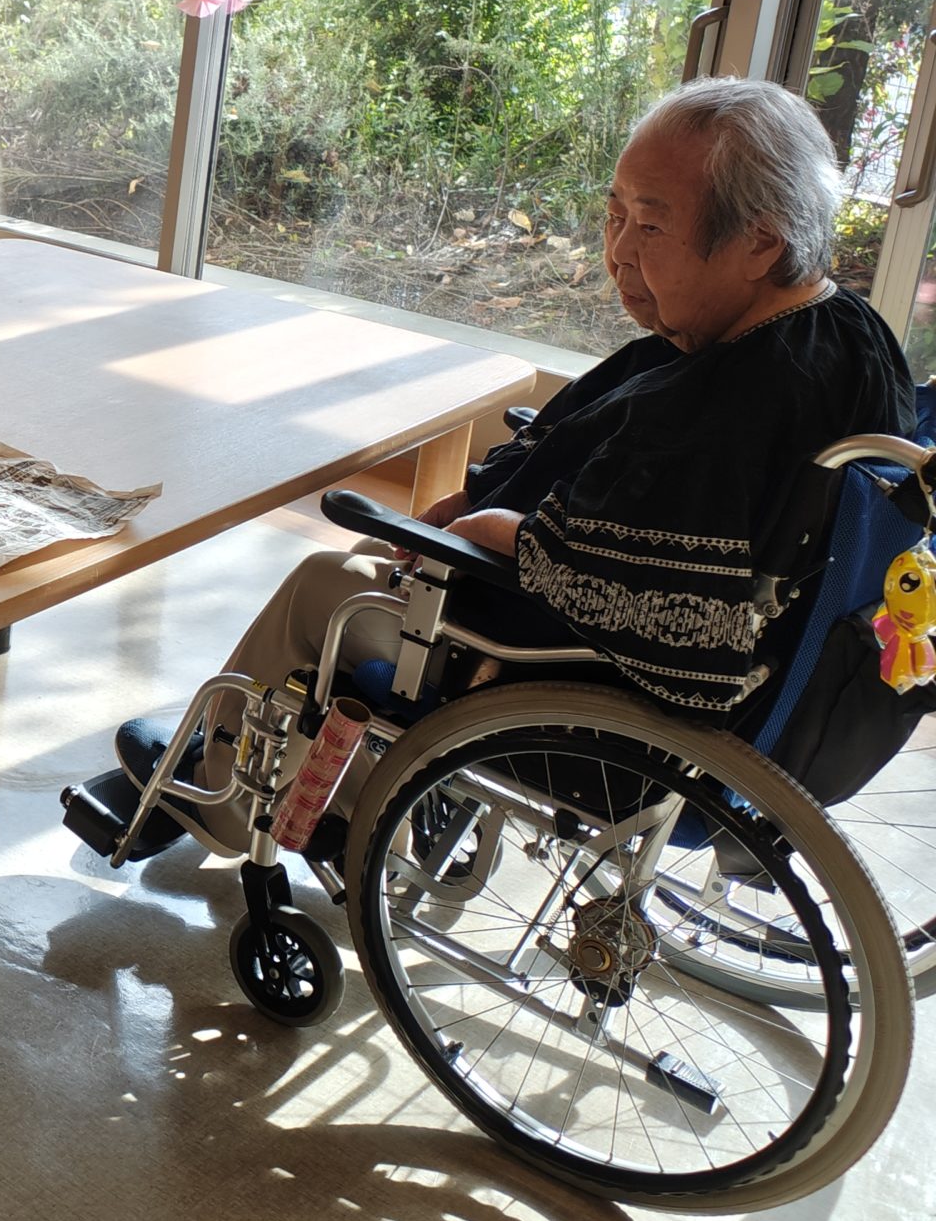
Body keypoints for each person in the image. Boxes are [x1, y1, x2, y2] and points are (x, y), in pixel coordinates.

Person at [114, 77, 915, 853]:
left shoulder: (738, 402)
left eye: (649, 226)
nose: (617, 253)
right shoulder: (845, 330)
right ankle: (331, 791)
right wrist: (484, 497)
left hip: (605, 701)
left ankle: (214, 799)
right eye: (613, 215)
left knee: (328, 584)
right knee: (377, 559)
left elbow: (650, 593)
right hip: (770, 693)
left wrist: (498, 528)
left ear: (761, 242)